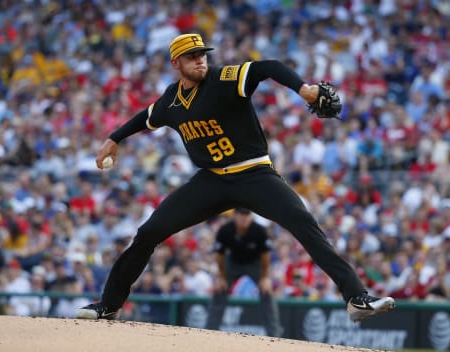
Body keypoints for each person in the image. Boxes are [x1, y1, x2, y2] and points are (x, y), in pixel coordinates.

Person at [76, 33, 395, 322]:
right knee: (148, 232)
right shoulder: (172, 100)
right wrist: (114, 138)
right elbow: (145, 117)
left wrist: (305, 89)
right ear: (176, 63)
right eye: (192, 56)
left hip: (254, 173)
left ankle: (356, 298)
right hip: (211, 181)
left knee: (303, 223)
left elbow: (267, 66)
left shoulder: (223, 78)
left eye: (202, 53)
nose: (200, 59)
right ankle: (109, 304)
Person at [205, 208, 282, 337]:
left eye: (248, 214)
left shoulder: (259, 230)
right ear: (235, 215)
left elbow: (265, 255)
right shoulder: (226, 230)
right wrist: (221, 277)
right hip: (233, 263)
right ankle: (209, 331)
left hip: (254, 263)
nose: (245, 217)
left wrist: (264, 277)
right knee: (219, 290)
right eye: (242, 214)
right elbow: (220, 254)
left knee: (267, 291)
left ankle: (275, 334)